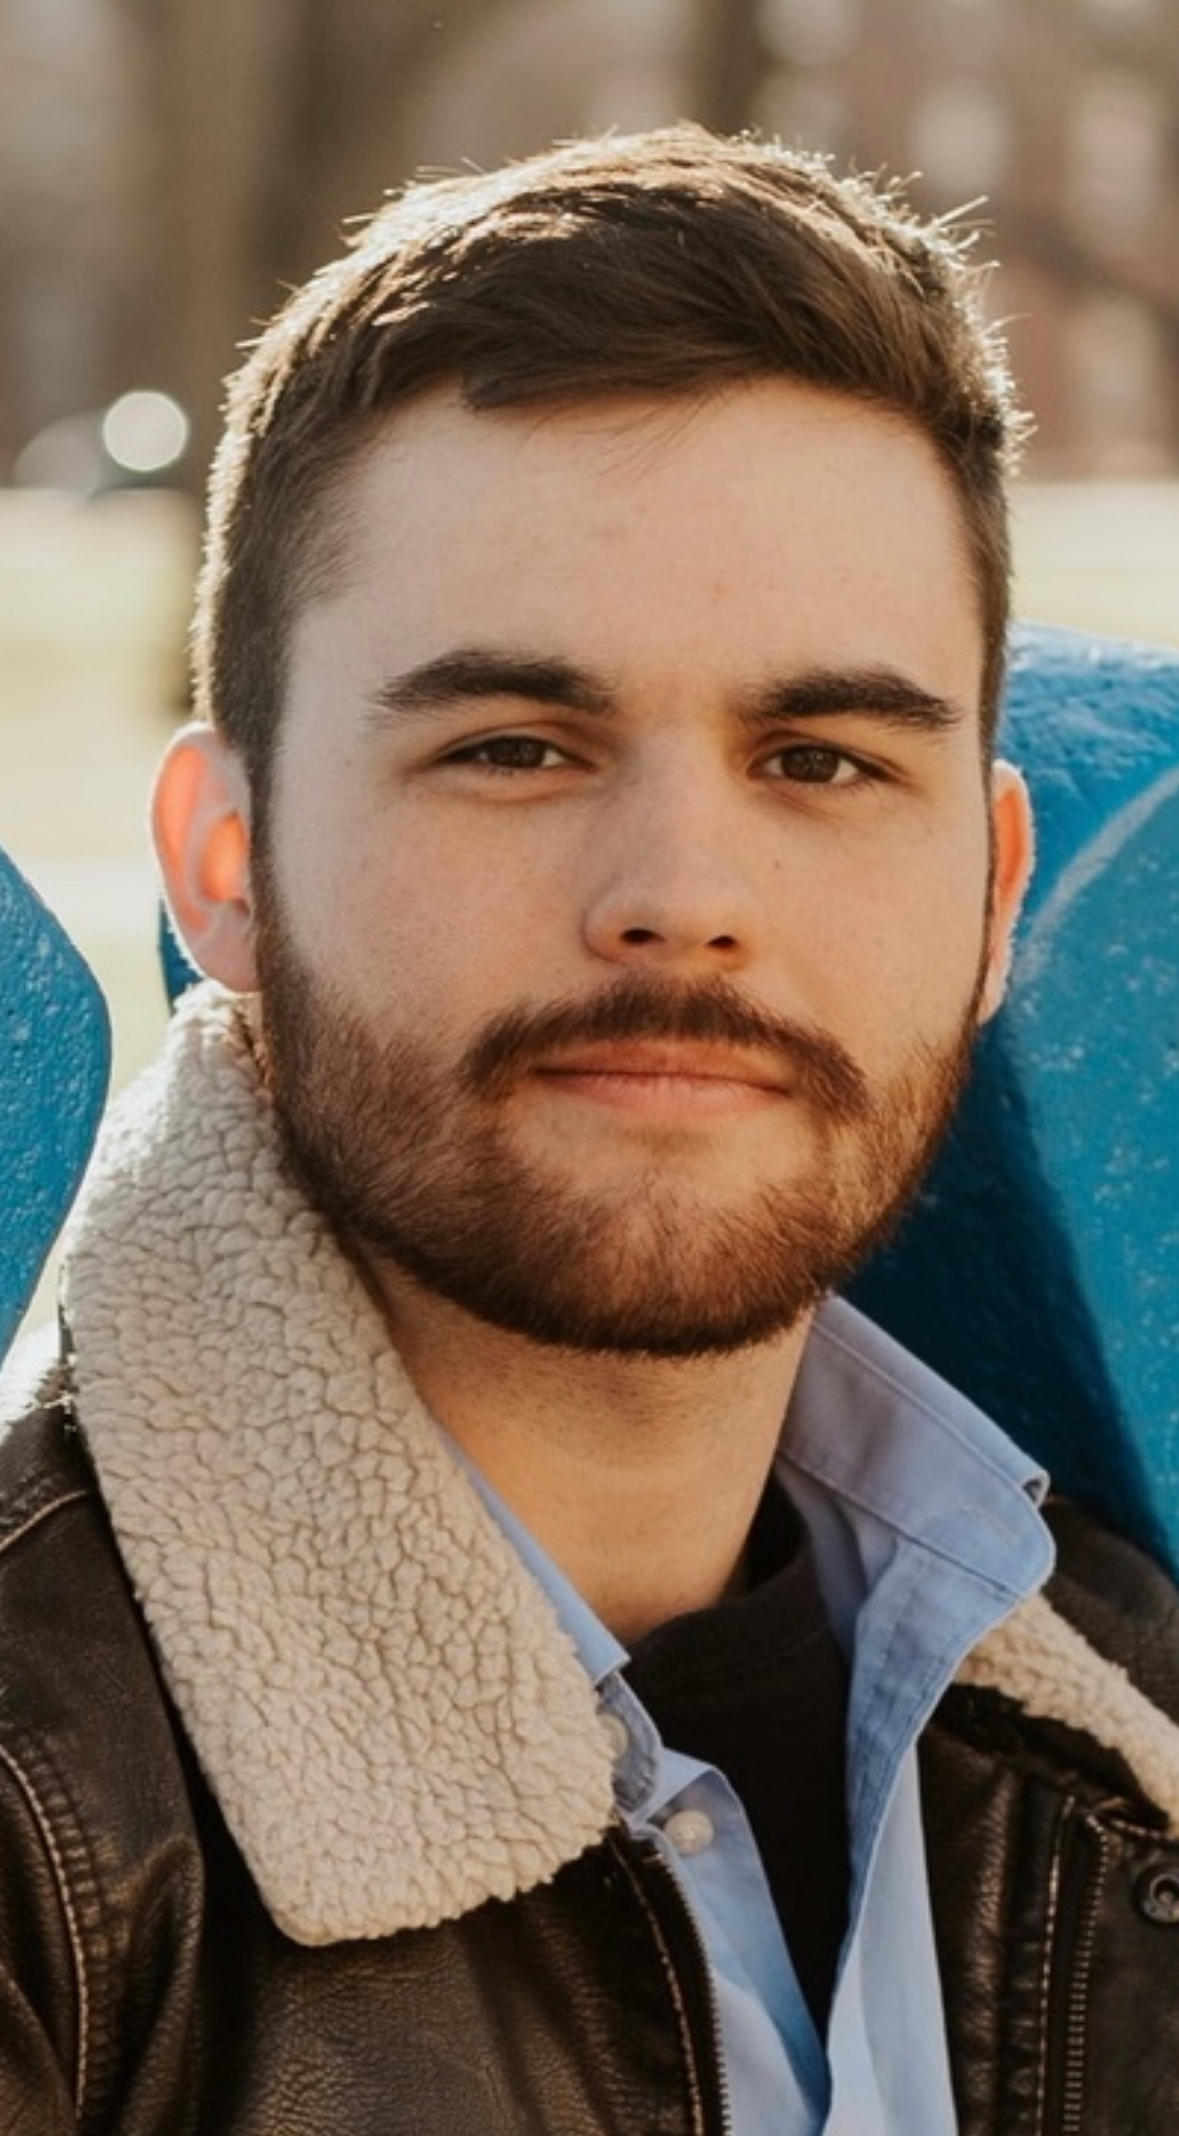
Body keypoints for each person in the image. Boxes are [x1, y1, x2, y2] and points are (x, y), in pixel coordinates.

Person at [3, 125, 1179, 2136]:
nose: (678, 894)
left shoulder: (1122, 1710)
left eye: (817, 757)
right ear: (222, 866)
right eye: (514, 749)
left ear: (989, 900)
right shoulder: (46, 1834)